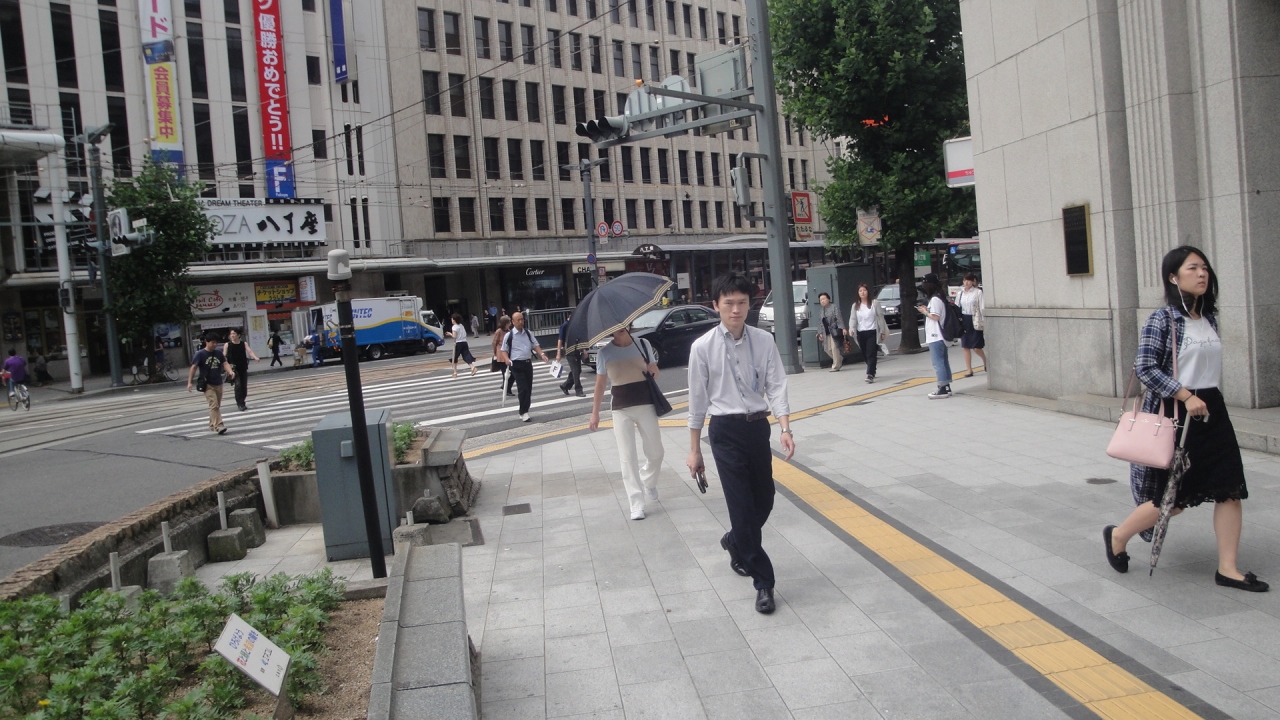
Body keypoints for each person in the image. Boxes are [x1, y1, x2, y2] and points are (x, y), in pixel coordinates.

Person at [1104, 246, 1266, 592]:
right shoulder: (1162, 319)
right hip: (1177, 413)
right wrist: (1185, 395)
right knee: (1173, 500)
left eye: (1204, 267)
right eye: (1193, 268)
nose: (1202, 273)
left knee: (1229, 489)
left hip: (1212, 411)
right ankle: (1118, 535)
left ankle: (1228, 569)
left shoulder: (1208, 318)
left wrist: (1200, 398)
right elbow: (1145, 368)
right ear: (1173, 278)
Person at [687, 272, 795, 615]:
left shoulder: (764, 341)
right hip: (724, 432)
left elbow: (776, 385)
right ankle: (763, 582)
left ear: (751, 304)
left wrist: (785, 427)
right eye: (729, 303)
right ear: (716, 305)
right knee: (741, 507)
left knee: (765, 498)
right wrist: (694, 450)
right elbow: (696, 402)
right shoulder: (702, 347)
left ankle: (735, 540)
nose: (736, 309)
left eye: (742, 303)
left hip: (757, 427)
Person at [590, 328, 663, 520]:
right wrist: (595, 413)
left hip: (646, 404)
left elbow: (654, 372)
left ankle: (648, 481)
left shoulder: (643, 345)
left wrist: (654, 370)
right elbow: (600, 384)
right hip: (620, 408)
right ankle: (636, 504)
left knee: (656, 452)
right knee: (627, 457)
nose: (619, 329)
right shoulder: (604, 353)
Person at [501, 311, 549, 422]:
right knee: (523, 389)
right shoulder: (509, 335)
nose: (521, 322)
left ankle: (524, 410)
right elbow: (503, 350)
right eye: (518, 320)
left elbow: (535, 345)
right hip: (516, 364)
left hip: (527, 363)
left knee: (528, 388)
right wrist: (507, 359)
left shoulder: (528, 333)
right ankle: (523, 412)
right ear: (513, 322)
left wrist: (542, 354)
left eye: (522, 319)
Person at [187, 332, 235, 435]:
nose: (215, 344)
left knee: (216, 406)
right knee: (214, 405)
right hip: (207, 384)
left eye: (216, 342)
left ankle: (212, 424)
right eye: (213, 342)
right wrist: (189, 382)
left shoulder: (218, 353)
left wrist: (230, 371)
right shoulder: (200, 354)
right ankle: (219, 425)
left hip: (218, 382)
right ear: (207, 342)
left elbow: (224, 363)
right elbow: (193, 367)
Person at [916, 274, 952, 399]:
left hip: (936, 335)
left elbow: (936, 317)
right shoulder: (939, 297)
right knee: (943, 361)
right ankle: (946, 386)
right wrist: (927, 310)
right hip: (940, 336)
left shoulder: (935, 299)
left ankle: (942, 388)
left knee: (938, 363)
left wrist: (925, 312)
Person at [849, 283, 889, 384]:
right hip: (861, 332)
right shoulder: (855, 305)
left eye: (864, 290)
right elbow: (853, 319)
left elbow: (880, 317)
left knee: (871, 353)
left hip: (873, 331)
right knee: (865, 353)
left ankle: (870, 374)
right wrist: (851, 328)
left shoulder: (874, 303)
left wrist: (882, 331)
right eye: (860, 291)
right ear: (858, 293)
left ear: (868, 292)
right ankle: (872, 368)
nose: (862, 292)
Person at [957, 273, 987, 377]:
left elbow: (982, 307)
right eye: (964, 280)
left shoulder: (978, 292)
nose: (966, 282)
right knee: (965, 346)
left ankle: (985, 360)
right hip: (964, 319)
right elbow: (957, 307)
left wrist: (984, 322)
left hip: (975, 319)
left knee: (976, 347)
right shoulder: (960, 293)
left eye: (968, 280)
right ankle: (969, 370)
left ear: (973, 281)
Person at [222, 329, 258, 411]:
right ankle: (240, 404)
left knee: (244, 387)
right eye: (231, 334)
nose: (232, 335)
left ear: (238, 335)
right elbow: (224, 355)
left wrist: (255, 357)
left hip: (243, 367)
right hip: (233, 369)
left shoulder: (243, 344)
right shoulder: (227, 345)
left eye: (234, 334)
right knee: (238, 386)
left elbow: (250, 351)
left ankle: (242, 401)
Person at [815, 292, 847, 373]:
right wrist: (819, 333)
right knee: (827, 349)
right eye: (821, 300)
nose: (822, 301)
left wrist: (843, 328)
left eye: (824, 299)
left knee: (834, 348)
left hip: (834, 330)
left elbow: (839, 318)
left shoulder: (834, 307)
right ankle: (839, 359)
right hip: (826, 332)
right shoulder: (821, 311)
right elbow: (820, 322)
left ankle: (835, 366)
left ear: (828, 299)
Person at [556, 311, 584, 397]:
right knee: (575, 370)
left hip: (577, 349)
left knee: (578, 370)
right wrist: (558, 353)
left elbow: (579, 338)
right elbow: (560, 339)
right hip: (569, 350)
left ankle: (565, 385)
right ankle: (578, 390)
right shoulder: (565, 325)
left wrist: (583, 350)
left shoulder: (576, 325)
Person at [446, 313, 479, 378]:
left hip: (458, 343)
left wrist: (450, 334)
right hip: (464, 342)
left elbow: (454, 336)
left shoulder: (454, 327)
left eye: (452, 319)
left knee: (454, 358)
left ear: (454, 320)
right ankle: (473, 367)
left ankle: (455, 372)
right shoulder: (461, 325)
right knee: (466, 355)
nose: (451, 320)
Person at [491, 314, 512, 390]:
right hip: (500, 352)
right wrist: (495, 353)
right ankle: (506, 387)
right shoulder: (499, 331)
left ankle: (505, 385)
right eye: (509, 322)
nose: (510, 323)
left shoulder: (509, 331)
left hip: (507, 352)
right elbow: (494, 342)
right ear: (505, 323)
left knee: (507, 371)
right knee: (505, 371)